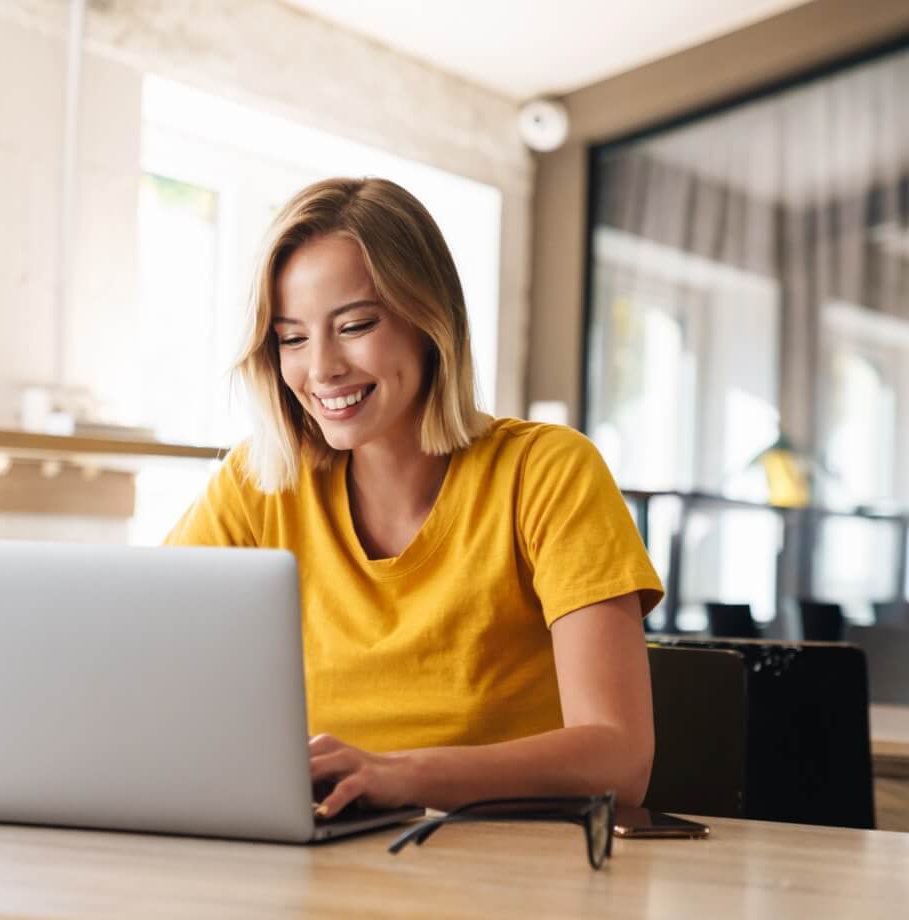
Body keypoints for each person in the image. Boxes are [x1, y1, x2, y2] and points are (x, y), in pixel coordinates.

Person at [166, 177, 664, 819]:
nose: (321, 369)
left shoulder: (546, 472)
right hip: (321, 858)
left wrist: (402, 775)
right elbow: (149, 670)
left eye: (355, 326)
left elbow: (620, 761)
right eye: (292, 338)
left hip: (508, 869)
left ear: (430, 322)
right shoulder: (260, 483)